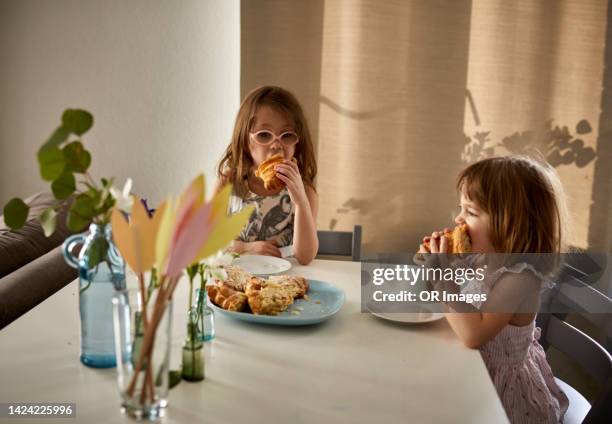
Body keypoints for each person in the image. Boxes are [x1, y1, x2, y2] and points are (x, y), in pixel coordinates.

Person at [419, 156, 569, 423]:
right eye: (460, 208)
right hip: (471, 368)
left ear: (512, 224)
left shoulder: (520, 279)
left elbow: (473, 334)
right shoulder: (481, 259)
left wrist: (441, 276)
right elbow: (455, 304)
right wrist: (432, 265)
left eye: (472, 212)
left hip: (503, 395)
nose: (458, 219)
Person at [214, 86, 318, 265]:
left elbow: (305, 257)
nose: (276, 145)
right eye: (264, 135)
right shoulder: (228, 184)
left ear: (297, 143)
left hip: (286, 282)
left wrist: (301, 202)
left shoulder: (305, 192)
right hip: (237, 277)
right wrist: (247, 248)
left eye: (286, 136)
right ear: (245, 141)